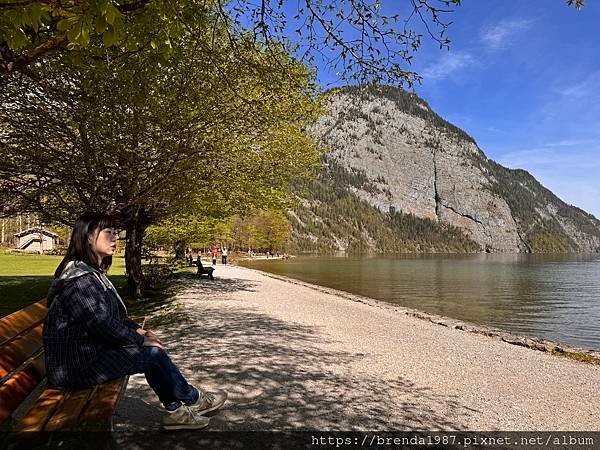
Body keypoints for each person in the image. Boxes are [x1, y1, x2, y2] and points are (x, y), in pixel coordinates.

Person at [43, 212, 227, 431]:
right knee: (152, 354)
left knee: (152, 352)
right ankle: (193, 400)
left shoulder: (89, 274)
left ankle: (177, 412)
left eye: (116, 233)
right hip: (75, 367)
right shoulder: (80, 281)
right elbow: (102, 324)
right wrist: (140, 341)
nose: (115, 238)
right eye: (108, 232)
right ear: (88, 237)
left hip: (86, 356)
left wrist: (142, 332)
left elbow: (113, 318)